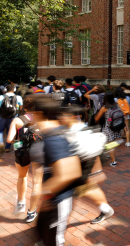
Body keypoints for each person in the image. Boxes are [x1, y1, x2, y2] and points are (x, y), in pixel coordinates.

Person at [32, 96, 82, 246]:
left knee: (54, 240)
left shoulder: (54, 138)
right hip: (54, 199)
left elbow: (71, 172)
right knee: (44, 234)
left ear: (38, 114)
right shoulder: (56, 133)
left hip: (58, 200)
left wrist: (46, 193)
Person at [5, 95, 44, 223]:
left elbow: (9, 140)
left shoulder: (18, 120)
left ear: (24, 107)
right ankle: (31, 212)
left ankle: (21, 203)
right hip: (39, 151)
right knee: (37, 182)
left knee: (22, 176)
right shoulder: (44, 118)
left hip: (23, 151)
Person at [0, 84, 23, 154]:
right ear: (14, 90)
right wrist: (19, 116)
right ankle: (7, 148)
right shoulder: (19, 98)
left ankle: (0, 143)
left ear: (5, 90)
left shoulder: (0, 97)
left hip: (1, 118)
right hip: (13, 118)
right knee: (11, 132)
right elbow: (21, 109)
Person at [94, 92, 124, 167]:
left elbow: (96, 118)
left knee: (110, 144)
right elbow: (121, 114)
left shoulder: (104, 107)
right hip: (117, 125)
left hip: (108, 128)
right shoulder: (117, 104)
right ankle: (107, 154)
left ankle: (114, 162)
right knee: (109, 142)